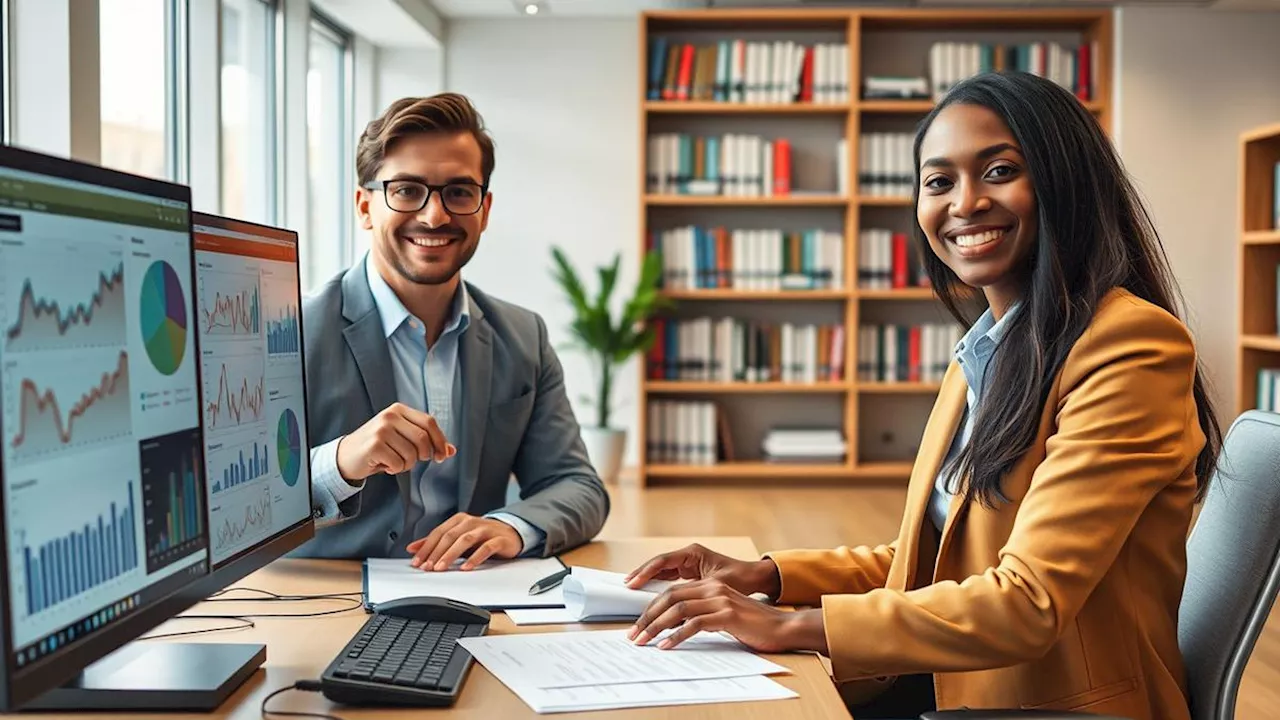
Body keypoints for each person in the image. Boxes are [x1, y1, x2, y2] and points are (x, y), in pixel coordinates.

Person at [622, 71, 1223, 720]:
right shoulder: (986, 354)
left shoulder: (1129, 345)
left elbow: (1027, 602)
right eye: (938, 182)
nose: (964, 202)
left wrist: (789, 626)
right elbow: (930, 561)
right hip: (947, 685)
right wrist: (766, 578)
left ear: (1066, 181)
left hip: (1052, 707)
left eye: (998, 171)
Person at [293, 93, 610, 567]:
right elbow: (239, 500)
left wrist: (511, 526)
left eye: (459, 192)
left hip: (470, 598)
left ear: (483, 209)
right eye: (405, 189)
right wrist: (339, 462)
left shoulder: (524, 337)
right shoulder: (292, 331)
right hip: (324, 600)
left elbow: (578, 487)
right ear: (365, 207)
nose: (435, 215)